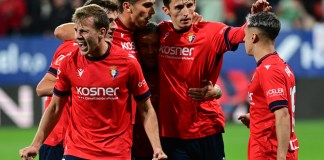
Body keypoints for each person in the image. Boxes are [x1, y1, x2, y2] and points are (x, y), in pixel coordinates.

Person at [19, 4, 167, 160]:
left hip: (116, 153)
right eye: (76, 31)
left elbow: (146, 109)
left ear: (102, 32)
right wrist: (35, 144)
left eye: (84, 31)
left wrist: (157, 148)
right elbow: (55, 107)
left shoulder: (128, 63)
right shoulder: (69, 62)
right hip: (77, 151)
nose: (77, 37)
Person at [157, 0, 271, 159]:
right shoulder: (159, 33)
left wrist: (255, 18)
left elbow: (240, 34)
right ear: (165, 10)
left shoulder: (211, 31)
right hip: (171, 133)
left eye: (190, 5)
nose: (185, 12)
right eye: (179, 7)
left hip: (206, 127)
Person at [35, 1, 119, 160]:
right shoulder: (71, 48)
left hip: (89, 142)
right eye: (109, 20)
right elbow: (42, 87)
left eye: (115, 20)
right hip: (59, 140)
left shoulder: (115, 53)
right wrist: (76, 85)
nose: (114, 26)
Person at [132, 22, 223, 160]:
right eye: (144, 46)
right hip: (137, 146)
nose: (150, 51)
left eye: (155, 45)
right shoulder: (131, 72)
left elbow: (202, 87)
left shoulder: (170, 69)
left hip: (169, 144)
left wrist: (216, 91)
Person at [238, 12, 299, 160]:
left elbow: (283, 114)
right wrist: (256, 117)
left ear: (253, 37)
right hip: (268, 148)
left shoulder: (269, 70)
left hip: (268, 152)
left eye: (245, 35)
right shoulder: (279, 65)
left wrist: (281, 157)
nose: (243, 39)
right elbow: (275, 109)